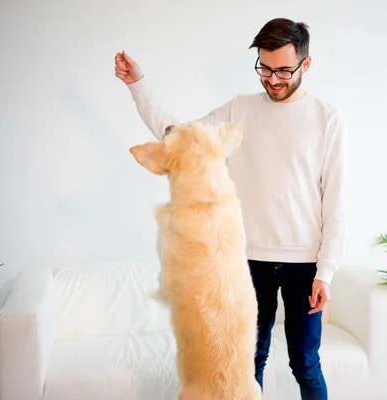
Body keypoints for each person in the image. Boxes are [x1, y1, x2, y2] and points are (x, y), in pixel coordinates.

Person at [115, 18, 349, 400]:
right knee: (245, 365)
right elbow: (178, 138)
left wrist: (326, 271)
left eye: (283, 71)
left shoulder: (327, 119)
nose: (273, 79)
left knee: (305, 362)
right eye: (265, 68)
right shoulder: (239, 110)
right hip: (244, 264)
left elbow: (336, 202)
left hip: (305, 266)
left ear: (305, 64)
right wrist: (137, 85)